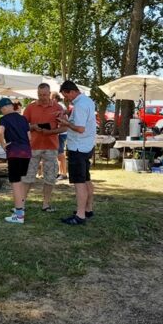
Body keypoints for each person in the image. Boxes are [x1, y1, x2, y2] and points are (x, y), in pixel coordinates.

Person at [21, 83, 66, 213]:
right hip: (33, 147)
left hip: (51, 147)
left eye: (45, 95)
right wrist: (33, 127)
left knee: (50, 177)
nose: (42, 97)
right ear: (37, 93)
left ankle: (46, 204)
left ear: (50, 93)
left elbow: (64, 127)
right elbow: (22, 127)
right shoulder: (30, 107)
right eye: (40, 95)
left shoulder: (57, 107)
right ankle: (21, 204)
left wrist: (50, 132)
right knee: (28, 177)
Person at [56, 80, 96, 225]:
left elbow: (80, 128)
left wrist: (66, 123)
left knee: (79, 183)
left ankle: (80, 216)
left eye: (66, 96)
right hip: (87, 146)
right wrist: (67, 111)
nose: (67, 99)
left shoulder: (79, 106)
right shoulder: (87, 100)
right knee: (86, 179)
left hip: (78, 148)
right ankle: (88, 209)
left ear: (71, 91)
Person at [0, 97, 32, 223]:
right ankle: (20, 207)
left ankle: (19, 215)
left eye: (1, 110)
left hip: (14, 152)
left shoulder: (4, 119)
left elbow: (0, 132)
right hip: (26, 152)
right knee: (21, 181)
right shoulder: (23, 118)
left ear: (4, 108)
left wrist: (3, 144)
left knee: (15, 183)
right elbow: (29, 136)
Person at [53, 92, 69, 180]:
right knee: (59, 154)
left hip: (61, 133)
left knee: (60, 154)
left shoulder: (59, 106)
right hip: (60, 133)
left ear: (55, 98)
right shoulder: (60, 105)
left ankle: (64, 173)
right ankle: (60, 172)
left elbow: (65, 120)